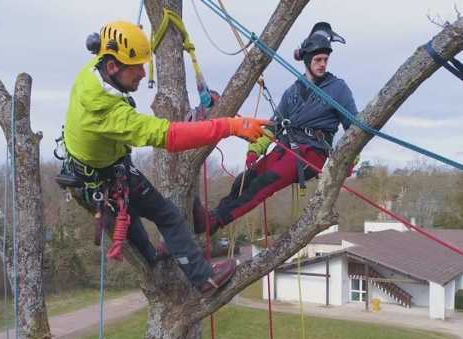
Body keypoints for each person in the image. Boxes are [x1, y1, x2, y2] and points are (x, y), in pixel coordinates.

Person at [60, 21, 269, 295]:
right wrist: (231, 126)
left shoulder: (92, 72)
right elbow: (167, 136)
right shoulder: (104, 112)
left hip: (99, 168)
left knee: (135, 224)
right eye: (136, 67)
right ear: (113, 67)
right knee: (168, 216)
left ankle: (153, 262)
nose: (143, 73)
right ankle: (204, 278)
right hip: (103, 175)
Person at [193, 22, 358, 235]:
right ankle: (212, 215)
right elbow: (274, 125)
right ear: (307, 60)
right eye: (318, 60)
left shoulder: (338, 89)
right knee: (245, 180)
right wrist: (257, 148)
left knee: (265, 183)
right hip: (287, 147)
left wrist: (349, 161)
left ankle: (215, 221)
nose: (322, 64)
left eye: (325, 60)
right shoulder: (293, 92)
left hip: (312, 155)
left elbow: (355, 128)